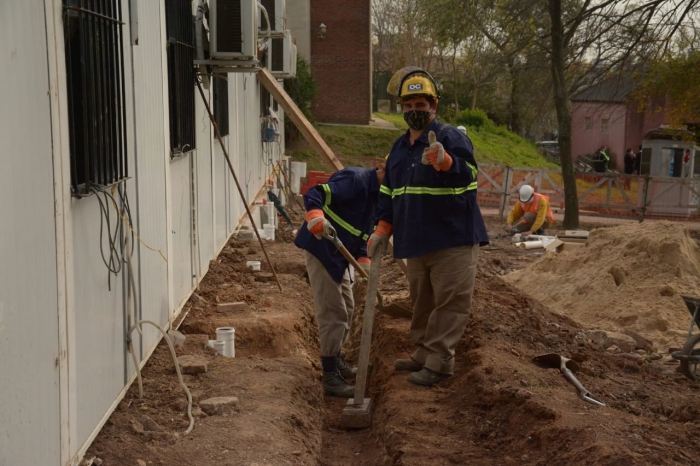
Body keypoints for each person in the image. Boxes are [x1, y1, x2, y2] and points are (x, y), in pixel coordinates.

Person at [367, 66, 489, 387]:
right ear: (401, 108)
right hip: (417, 240)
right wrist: (382, 230)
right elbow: (388, 193)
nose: (414, 111)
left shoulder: (450, 138)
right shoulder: (398, 149)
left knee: (450, 301)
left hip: (452, 237)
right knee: (422, 300)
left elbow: (472, 178)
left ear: (433, 106)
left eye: (421, 105)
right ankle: (423, 351)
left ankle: (440, 362)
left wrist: (447, 162)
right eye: (408, 105)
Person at [294, 163, 384, 397]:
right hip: (321, 249)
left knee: (349, 307)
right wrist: (315, 216)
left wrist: (363, 258)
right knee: (334, 314)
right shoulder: (356, 180)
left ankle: (336, 357)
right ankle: (329, 375)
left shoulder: (379, 197)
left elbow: (364, 232)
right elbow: (315, 193)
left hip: (340, 256)